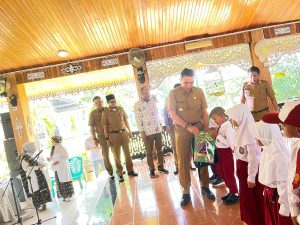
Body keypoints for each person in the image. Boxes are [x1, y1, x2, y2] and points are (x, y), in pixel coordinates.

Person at [168, 68, 215, 206]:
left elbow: (204, 111)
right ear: (180, 80)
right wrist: (188, 126)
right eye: (186, 82)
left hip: (199, 128)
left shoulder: (199, 91)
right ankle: (185, 191)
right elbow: (173, 114)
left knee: (203, 158)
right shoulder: (173, 93)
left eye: (191, 82)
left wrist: (205, 129)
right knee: (183, 161)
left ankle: (205, 187)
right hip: (182, 131)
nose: (189, 85)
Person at [226, 104, 265, 225]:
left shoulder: (250, 133)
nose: (231, 121)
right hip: (242, 167)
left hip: (249, 169)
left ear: (240, 117)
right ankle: (250, 218)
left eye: (232, 118)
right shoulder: (240, 130)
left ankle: (257, 219)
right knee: (246, 195)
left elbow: (254, 157)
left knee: (254, 197)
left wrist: (251, 176)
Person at [262, 100, 300, 225]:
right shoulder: (296, 144)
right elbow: (293, 180)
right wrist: (294, 209)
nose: (281, 128)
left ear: (298, 129)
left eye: (283, 125)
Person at [253, 121, 293, 225]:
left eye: (257, 137)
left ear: (265, 136)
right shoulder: (267, 150)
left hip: (278, 198)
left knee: (276, 220)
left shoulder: (279, 156)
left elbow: (284, 184)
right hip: (269, 194)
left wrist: (284, 207)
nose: (255, 139)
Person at [134, 86, 169, 178]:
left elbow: (157, 114)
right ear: (141, 94)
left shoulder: (153, 102)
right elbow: (138, 120)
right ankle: (151, 170)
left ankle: (161, 167)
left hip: (157, 129)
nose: (147, 94)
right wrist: (142, 132)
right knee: (149, 152)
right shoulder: (137, 105)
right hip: (147, 132)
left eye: (148, 93)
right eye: (145, 93)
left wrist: (160, 125)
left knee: (160, 150)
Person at [102, 94, 138, 183]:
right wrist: (107, 139)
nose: (114, 103)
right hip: (113, 136)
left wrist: (130, 131)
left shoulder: (121, 109)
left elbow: (126, 121)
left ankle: (130, 170)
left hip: (124, 133)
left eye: (114, 101)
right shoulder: (105, 112)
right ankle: (120, 174)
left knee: (127, 153)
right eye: (111, 102)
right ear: (108, 103)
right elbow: (105, 126)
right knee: (116, 156)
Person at [164, 83, 196, 175]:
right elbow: (165, 114)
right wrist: (168, 126)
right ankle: (178, 166)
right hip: (174, 128)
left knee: (189, 146)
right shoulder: (169, 99)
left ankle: (189, 164)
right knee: (176, 147)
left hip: (186, 127)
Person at [210, 107, 239, 204]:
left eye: (215, 119)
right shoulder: (221, 125)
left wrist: (217, 135)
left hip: (226, 153)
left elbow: (229, 143)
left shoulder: (228, 127)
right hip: (220, 152)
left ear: (222, 116)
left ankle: (235, 193)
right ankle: (231, 191)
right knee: (222, 172)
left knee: (229, 173)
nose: (214, 121)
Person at [20, 142, 52, 210]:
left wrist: (43, 164)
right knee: (35, 189)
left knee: (41, 188)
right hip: (32, 176)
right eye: (33, 146)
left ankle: (44, 203)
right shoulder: (24, 157)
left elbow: (40, 162)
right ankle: (38, 205)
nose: (35, 147)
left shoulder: (33, 155)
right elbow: (25, 168)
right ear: (29, 148)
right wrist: (37, 167)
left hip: (38, 174)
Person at [89, 96, 114, 179]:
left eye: (99, 101)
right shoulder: (92, 114)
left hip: (112, 134)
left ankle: (119, 170)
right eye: (96, 102)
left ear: (102, 101)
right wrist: (94, 138)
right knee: (106, 155)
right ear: (94, 104)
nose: (98, 103)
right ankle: (110, 173)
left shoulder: (108, 109)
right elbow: (91, 128)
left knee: (116, 153)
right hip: (101, 136)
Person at [49, 136, 74, 201]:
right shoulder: (54, 148)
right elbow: (54, 158)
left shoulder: (61, 147)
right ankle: (64, 196)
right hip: (57, 168)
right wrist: (50, 159)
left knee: (65, 181)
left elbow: (66, 156)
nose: (52, 142)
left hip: (63, 167)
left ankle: (68, 196)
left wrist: (58, 161)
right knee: (59, 182)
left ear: (56, 140)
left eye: (52, 141)